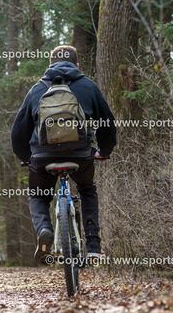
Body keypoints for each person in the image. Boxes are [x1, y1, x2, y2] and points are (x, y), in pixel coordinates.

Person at [11, 45, 117, 264]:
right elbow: (107, 124)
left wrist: (26, 157)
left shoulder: (37, 89)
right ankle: (94, 246)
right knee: (87, 190)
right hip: (80, 154)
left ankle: (44, 230)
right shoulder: (88, 86)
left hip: (43, 156)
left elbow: (18, 132)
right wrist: (103, 152)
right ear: (77, 65)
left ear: (50, 65)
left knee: (39, 195)